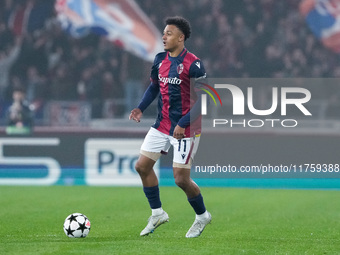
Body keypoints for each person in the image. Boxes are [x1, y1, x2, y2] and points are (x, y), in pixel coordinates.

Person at [129, 16, 211, 238]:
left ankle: (202, 215)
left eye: (169, 33)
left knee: (181, 179)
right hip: (162, 124)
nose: (164, 37)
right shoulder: (159, 59)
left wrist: (183, 123)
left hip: (187, 128)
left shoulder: (194, 64)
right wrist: (140, 108)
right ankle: (157, 213)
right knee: (142, 166)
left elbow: (204, 100)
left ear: (181, 37)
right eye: (164, 33)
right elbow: (154, 87)